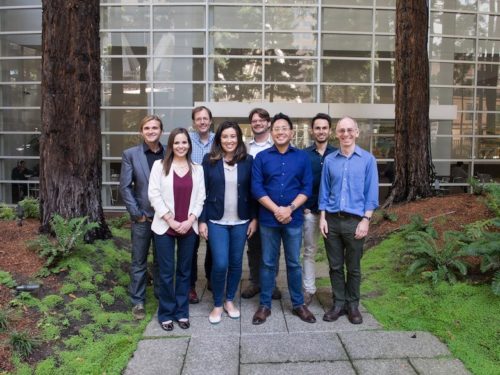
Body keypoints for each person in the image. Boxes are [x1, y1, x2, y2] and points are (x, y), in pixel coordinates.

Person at [251, 112, 315, 325]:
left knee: (294, 263)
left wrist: (289, 209)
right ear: (272, 131)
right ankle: (265, 305)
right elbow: (257, 188)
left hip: (293, 219)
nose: (280, 132)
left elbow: (307, 187)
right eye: (276, 128)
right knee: (268, 263)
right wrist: (276, 210)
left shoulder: (302, 157)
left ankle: (298, 304)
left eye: (284, 128)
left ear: (291, 132)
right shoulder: (261, 158)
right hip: (268, 221)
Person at [319, 116, 379, 325]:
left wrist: (366, 220)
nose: (345, 134)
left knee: (353, 267)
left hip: (355, 221)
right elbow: (324, 191)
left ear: (357, 132)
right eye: (341, 131)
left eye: (349, 130)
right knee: (335, 266)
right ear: (336, 134)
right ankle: (338, 303)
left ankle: (353, 305)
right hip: (332, 221)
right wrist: (323, 218)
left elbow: (371, 192)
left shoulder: (368, 160)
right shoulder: (330, 160)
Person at [199, 121, 258, 324]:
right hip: (216, 220)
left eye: (233, 136)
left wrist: (254, 219)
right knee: (220, 263)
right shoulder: (209, 160)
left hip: (241, 221)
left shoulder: (248, 161)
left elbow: (253, 193)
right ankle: (217, 303)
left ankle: (229, 300)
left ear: (239, 138)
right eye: (225, 137)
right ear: (219, 139)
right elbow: (202, 193)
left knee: (235, 263)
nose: (229, 140)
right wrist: (202, 221)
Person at [148, 128, 205, 331]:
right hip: (165, 225)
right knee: (165, 272)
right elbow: (153, 194)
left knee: (184, 271)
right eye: (177, 143)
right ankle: (165, 313)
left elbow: (201, 198)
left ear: (189, 145)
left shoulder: (197, 168)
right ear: (171, 145)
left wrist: (191, 220)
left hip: (188, 226)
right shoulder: (159, 166)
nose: (181, 146)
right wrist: (170, 220)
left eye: (184, 142)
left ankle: (182, 313)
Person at [120, 115, 165, 320]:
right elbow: (125, 187)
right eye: (147, 128)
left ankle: (161, 297)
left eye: (155, 127)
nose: (151, 131)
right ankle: (138, 301)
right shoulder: (131, 154)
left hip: (165, 218)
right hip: (143, 218)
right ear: (141, 131)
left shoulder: (170, 153)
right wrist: (136, 214)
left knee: (162, 261)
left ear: (161, 131)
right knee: (139, 261)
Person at [241, 107, 282, 301]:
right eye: (254, 121)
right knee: (254, 245)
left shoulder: (277, 145)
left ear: (268, 123)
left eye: (261, 120)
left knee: (272, 245)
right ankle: (255, 281)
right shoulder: (245, 147)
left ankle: (271, 283)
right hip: (251, 202)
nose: (258, 123)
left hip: (273, 203)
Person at [302, 113, 336, 305]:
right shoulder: (304, 155)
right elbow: (299, 181)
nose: (321, 131)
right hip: (311, 213)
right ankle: (309, 290)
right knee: (309, 251)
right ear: (312, 130)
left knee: (335, 255)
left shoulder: (337, 154)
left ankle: (336, 292)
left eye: (324, 128)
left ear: (329, 131)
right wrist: (304, 207)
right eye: (317, 128)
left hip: (333, 213)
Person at [188, 105, 215, 304]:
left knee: (213, 244)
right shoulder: (187, 141)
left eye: (205, 118)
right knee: (191, 245)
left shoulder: (219, 140)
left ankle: (212, 279)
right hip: (191, 199)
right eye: (199, 119)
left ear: (210, 120)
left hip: (213, 199)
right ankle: (190, 285)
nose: (202, 122)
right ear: (194, 122)